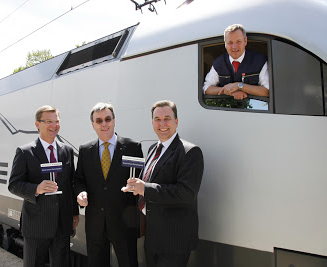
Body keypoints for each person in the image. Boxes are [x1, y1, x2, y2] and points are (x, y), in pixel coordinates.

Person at [123, 100, 204, 267]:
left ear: (177, 121)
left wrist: (145, 188)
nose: (162, 124)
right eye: (157, 119)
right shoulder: (153, 148)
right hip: (152, 235)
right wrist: (136, 185)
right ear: (152, 122)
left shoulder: (190, 151)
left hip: (174, 240)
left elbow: (187, 193)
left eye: (167, 118)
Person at [8, 105, 79, 267]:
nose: (54, 125)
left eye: (56, 121)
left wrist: (74, 213)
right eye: (48, 121)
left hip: (62, 224)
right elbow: (13, 184)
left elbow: (70, 184)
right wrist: (36, 189)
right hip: (36, 224)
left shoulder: (66, 151)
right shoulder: (25, 152)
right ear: (37, 124)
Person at [74, 102, 143, 267]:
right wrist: (80, 193)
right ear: (93, 124)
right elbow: (79, 180)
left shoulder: (133, 147)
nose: (104, 124)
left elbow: (141, 179)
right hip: (95, 225)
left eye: (107, 119)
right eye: (99, 121)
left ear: (114, 120)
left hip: (125, 224)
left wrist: (137, 186)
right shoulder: (85, 150)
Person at [203, 24, 269, 100]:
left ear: (245, 41)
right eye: (230, 43)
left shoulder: (259, 61)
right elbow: (206, 88)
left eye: (238, 42)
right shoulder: (218, 63)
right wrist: (228, 91)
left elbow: (267, 91)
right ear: (225, 44)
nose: (234, 46)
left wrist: (239, 86)